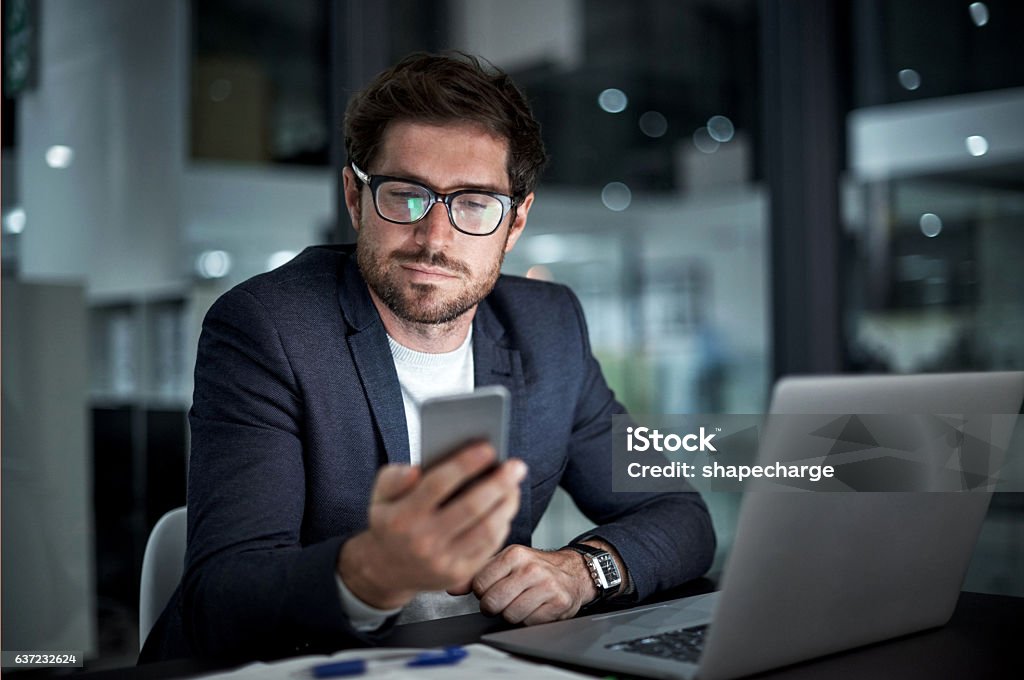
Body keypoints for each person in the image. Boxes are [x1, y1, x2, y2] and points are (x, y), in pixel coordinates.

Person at [140, 52, 714, 663]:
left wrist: (583, 572)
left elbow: (679, 514)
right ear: (356, 198)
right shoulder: (268, 328)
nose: (434, 239)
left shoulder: (549, 328)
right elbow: (221, 597)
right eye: (406, 194)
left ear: (515, 221)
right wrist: (373, 572)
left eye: (473, 203)